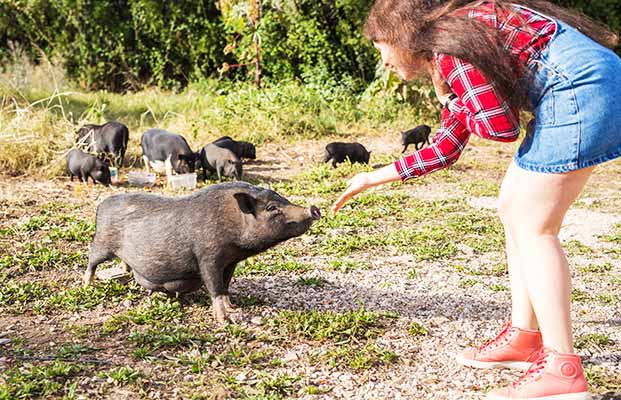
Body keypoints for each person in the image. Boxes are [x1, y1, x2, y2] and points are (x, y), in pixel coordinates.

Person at [331, 1, 621, 399]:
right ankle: (524, 338)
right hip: (588, 86)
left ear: (403, 35)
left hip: (580, 91)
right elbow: (445, 148)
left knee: (534, 224)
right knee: (512, 204)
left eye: (380, 46)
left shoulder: (454, 52)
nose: (382, 60)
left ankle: (562, 370)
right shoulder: (455, 47)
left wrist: (453, 103)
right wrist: (370, 177)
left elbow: (500, 127)